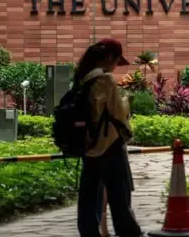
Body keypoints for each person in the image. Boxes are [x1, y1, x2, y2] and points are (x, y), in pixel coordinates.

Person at [75, 38, 143, 237]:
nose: (115, 67)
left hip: (89, 144)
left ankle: (88, 232)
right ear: (108, 57)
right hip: (109, 144)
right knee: (119, 194)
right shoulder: (104, 79)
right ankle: (128, 231)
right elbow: (117, 113)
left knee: (88, 193)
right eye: (115, 61)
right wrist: (126, 100)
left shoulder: (82, 77)